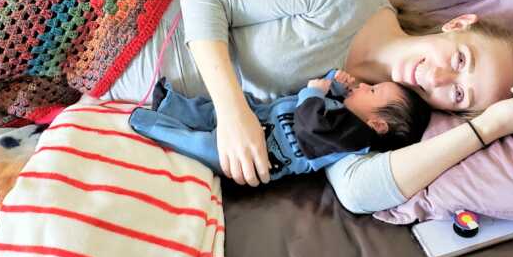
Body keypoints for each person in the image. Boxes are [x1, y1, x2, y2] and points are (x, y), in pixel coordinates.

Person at [102, 0, 513, 214]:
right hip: (127, 12)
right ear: (457, 24)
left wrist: (491, 127)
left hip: (130, 89)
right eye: (459, 59)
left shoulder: (370, 112)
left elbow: (359, 193)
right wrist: (234, 112)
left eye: (458, 94)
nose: (436, 77)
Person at [127, 68, 431, 181]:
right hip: (257, 117)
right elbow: (322, 101)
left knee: (204, 145)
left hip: (253, 158)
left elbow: (313, 125)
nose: (365, 86)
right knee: (213, 112)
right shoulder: (345, 110)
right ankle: (169, 103)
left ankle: (149, 126)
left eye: (373, 91)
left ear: (377, 125)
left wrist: (315, 92)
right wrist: (334, 84)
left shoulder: (354, 137)